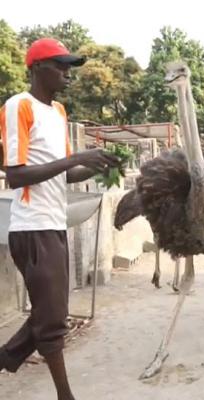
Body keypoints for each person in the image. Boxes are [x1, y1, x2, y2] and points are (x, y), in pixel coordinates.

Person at [0, 38, 120, 400]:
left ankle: (5, 357)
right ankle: (65, 395)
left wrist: (96, 167)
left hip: (54, 224)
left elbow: (64, 174)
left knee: (50, 313)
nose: (68, 73)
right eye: (60, 65)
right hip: (31, 226)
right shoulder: (17, 106)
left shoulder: (59, 113)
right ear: (37, 68)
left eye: (69, 66)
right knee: (52, 320)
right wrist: (74, 159)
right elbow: (15, 174)